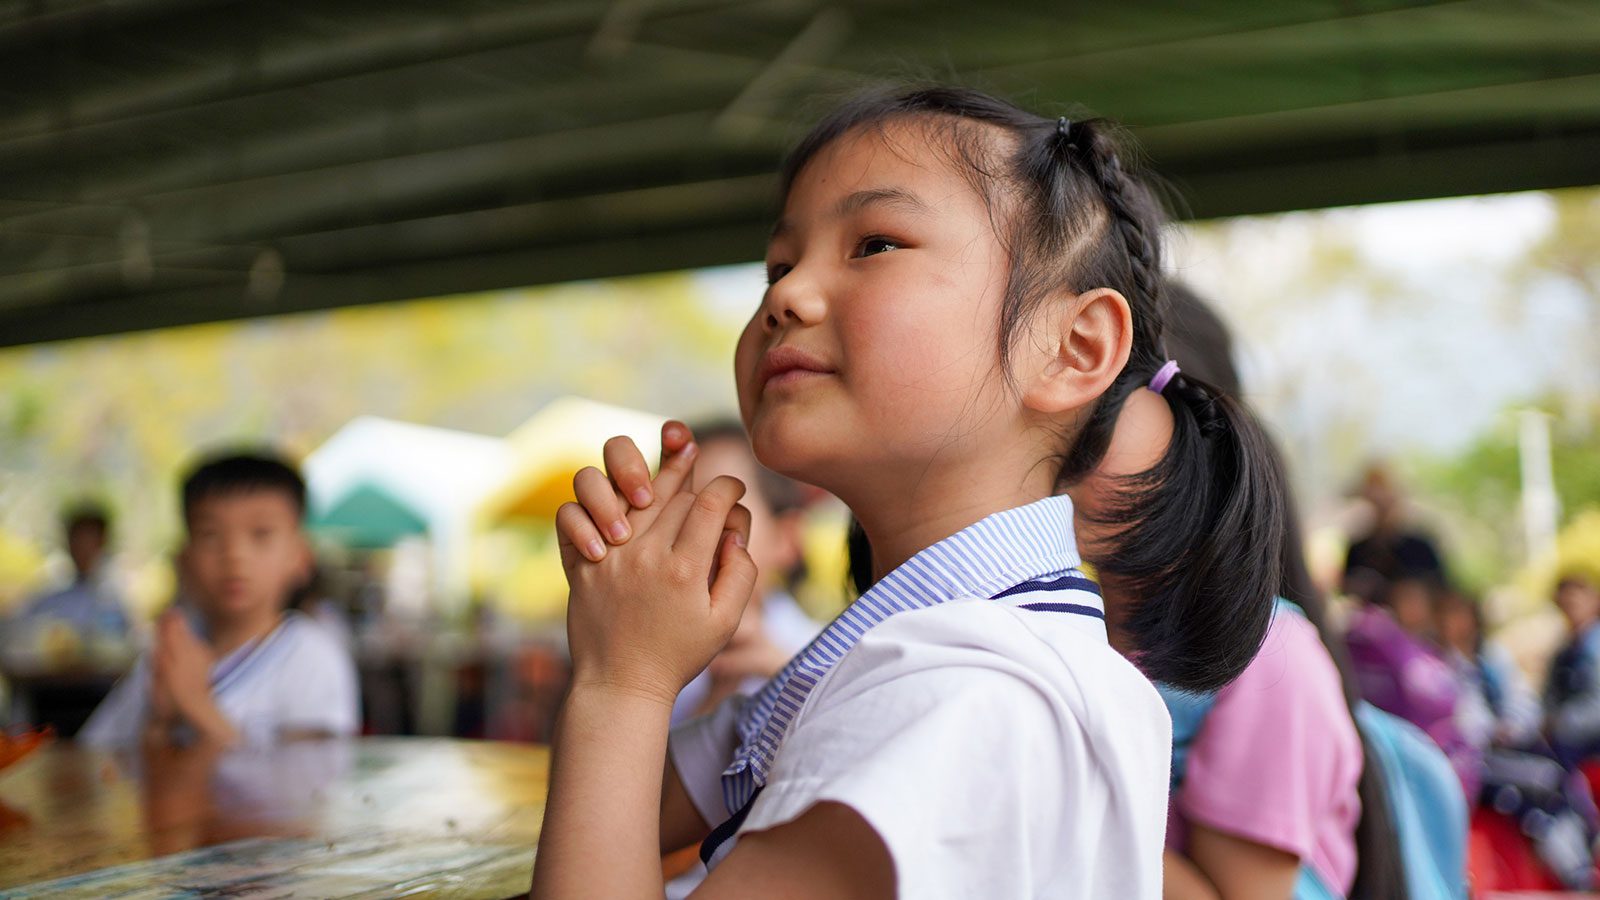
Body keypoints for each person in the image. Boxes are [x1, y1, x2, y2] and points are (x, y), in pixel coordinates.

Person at [532, 85, 1290, 899]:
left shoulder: (965, 696)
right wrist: (644, 626)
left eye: (876, 244)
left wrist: (623, 682)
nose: (784, 296)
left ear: (1073, 347)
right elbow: (621, 819)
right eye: (779, 264)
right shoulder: (932, 650)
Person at [1067, 283, 1384, 899]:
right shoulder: (1068, 627)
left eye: (1091, 418)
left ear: (1183, 429)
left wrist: (1047, 794)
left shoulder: (1269, 657)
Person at [80, 452, 359, 749]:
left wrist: (195, 705)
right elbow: (97, 753)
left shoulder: (311, 657)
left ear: (301, 557)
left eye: (261, 535)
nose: (234, 555)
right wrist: (161, 720)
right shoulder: (168, 656)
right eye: (211, 535)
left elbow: (302, 775)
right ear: (183, 560)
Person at [670, 419, 820, 726]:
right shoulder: (648, 667)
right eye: (671, 515)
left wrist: (794, 682)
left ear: (786, 538)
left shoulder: (828, 660)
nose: (689, 538)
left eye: (718, 514)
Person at [10, 503, 131, 647]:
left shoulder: (116, 600)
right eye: (78, 542)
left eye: (90, 543)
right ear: (68, 543)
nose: (83, 551)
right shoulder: (49, 599)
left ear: (103, 544)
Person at [1545, 573, 1600, 767]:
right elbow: (1549, 697)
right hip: (1568, 749)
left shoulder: (1594, 646)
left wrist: (1560, 723)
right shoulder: (1565, 651)